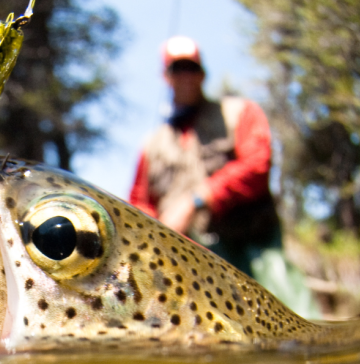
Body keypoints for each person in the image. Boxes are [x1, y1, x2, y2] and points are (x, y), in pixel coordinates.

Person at [130, 36, 318, 317]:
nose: (185, 76)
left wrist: (197, 199)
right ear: (166, 76)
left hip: (255, 248)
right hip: (192, 267)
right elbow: (139, 203)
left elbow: (257, 165)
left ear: (203, 73)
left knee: (296, 321)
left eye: (191, 68)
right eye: (177, 69)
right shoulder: (152, 146)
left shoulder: (240, 112)